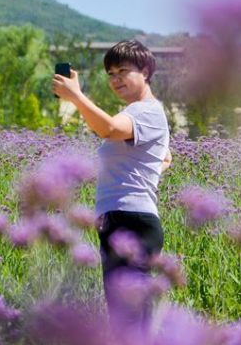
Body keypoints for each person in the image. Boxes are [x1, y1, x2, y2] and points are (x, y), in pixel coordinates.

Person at [51, 40, 171, 337]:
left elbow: (108, 129)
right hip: (118, 220)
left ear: (145, 71)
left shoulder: (146, 111)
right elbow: (165, 157)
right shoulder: (136, 113)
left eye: (123, 71)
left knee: (130, 324)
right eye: (110, 73)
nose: (115, 79)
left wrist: (76, 96)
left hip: (131, 221)